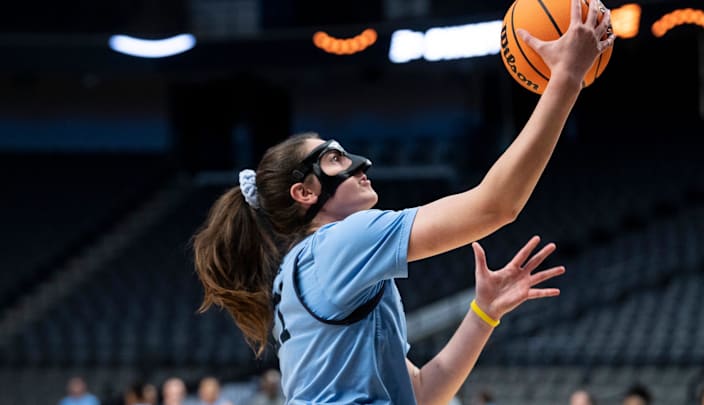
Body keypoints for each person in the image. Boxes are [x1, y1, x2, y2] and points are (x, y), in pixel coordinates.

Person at [191, 0, 614, 402]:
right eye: (335, 159)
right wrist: (566, 79)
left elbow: (423, 393)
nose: (361, 163)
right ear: (304, 192)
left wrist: (483, 313)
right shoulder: (343, 242)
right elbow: (495, 205)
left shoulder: (312, 266)